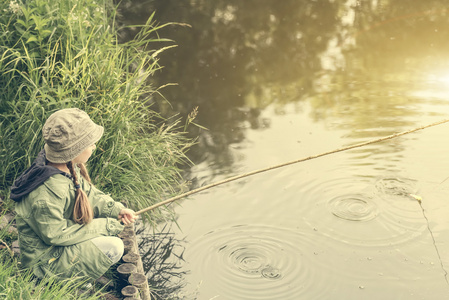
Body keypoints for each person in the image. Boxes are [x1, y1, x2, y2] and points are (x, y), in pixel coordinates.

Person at [10, 108, 137, 281]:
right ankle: (60, 282)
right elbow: (55, 234)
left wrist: (115, 210)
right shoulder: (46, 192)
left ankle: (75, 273)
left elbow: (90, 194)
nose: (94, 146)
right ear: (75, 150)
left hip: (56, 250)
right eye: (89, 143)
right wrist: (105, 226)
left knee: (104, 232)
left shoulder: (64, 167)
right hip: (43, 264)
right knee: (114, 246)